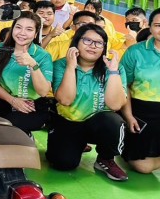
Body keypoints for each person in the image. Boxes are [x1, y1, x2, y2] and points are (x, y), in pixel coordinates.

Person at [47, 24, 129, 182]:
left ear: (104, 47)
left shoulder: (114, 67)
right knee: (63, 163)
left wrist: (113, 72)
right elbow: (65, 100)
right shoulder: (60, 65)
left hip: (98, 123)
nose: (93, 46)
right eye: (87, 40)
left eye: (99, 43)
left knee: (113, 121)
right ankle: (77, 144)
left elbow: (115, 105)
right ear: (76, 42)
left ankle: (105, 158)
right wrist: (71, 67)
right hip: (68, 122)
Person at [0, 13, 54, 134]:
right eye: (18, 27)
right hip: (5, 99)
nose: (22, 33)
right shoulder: (1, 48)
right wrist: (13, 100)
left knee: (11, 125)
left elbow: (43, 91)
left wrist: (33, 65)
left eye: (29, 29)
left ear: (35, 34)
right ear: (12, 29)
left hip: (33, 105)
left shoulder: (43, 56)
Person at [119, 8, 160, 174]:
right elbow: (124, 86)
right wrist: (129, 116)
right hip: (141, 112)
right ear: (150, 26)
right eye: (158, 25)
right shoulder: (135, 52)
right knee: (142, 166)